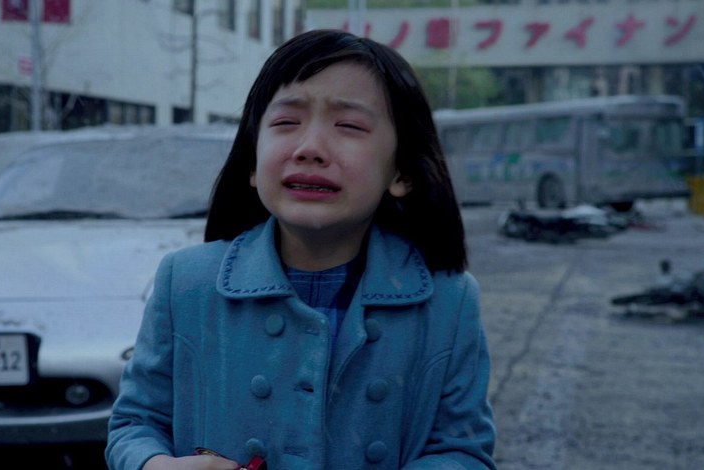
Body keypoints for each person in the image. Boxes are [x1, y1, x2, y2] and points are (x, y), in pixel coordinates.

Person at [106, 29, 497, 470]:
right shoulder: (186, 282)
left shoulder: (449, 299)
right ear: (252, 163)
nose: (310, 149)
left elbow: (463, 451)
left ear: (401, 173)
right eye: (286, 123)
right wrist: (153, 464)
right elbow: (135, 423)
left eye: (349, 126)